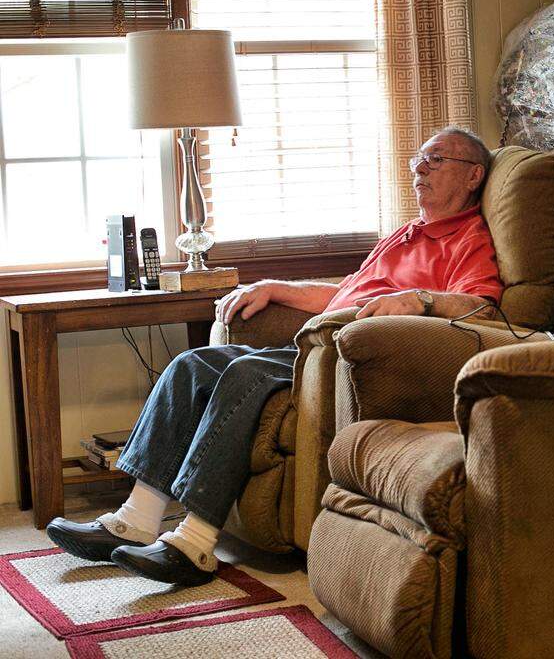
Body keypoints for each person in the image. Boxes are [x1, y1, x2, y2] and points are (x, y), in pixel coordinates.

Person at [46, 128, 503, 586]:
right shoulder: (406, 233)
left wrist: (421, 300)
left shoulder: (467, 239)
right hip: (311, 343)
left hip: (349, 361)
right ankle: (135, 520)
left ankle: (194, 545)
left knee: (246, 372)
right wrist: (274, 287)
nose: (419, 168)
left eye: (436, 159)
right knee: (192, 364)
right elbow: (346, 292)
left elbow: (483, 305)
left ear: (472, 175)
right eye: (418, 160)